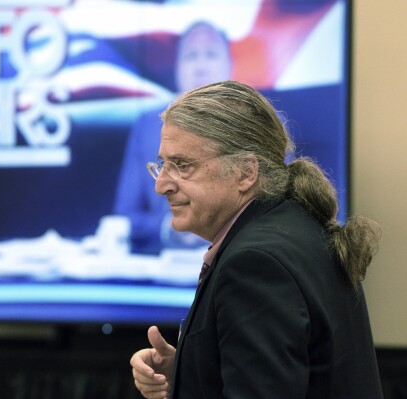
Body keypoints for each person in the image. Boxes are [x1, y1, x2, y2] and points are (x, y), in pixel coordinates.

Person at [129, 80, 383, 398]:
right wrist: (187, 371)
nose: (162, 185)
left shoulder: (255, 265)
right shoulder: (298, 226)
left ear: (246, 173)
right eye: (163, 165)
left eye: (182, 166)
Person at [113, 21, 232, 254]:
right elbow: (124, 217)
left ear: (230, 64)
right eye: (190, 56)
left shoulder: (263, 124)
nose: (200, 65)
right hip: (166, 263)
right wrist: (170, 228)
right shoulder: (148, 127)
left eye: (210, 54)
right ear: (177, 68)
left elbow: (275, 210)